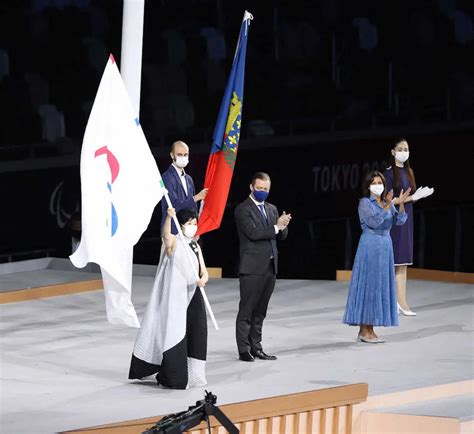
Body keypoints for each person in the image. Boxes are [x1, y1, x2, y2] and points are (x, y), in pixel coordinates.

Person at [129, 207, 209, 389]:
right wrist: (168, 218)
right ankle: (172, 376)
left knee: (196, 332)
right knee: (176, 333)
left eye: (194, 223)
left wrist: (203, 279)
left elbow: (203, 270)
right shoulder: (175, 242)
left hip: (194, 295)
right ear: (180, 225)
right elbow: (166, 236)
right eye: (189, 223)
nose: (193, 226)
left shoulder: (194, 245)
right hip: (177, 298)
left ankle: (194, 373)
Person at [343, 171, 410, 343]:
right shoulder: (365, 203)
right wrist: (387, 206)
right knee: (369, 285)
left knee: (379, 286)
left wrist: (400, 205)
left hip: (385, 247)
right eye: (374, 183)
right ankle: (364, 330)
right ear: (368, 186)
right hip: (370, 245)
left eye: (380, 182)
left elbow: (400, 221)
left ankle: (370, 329)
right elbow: (373, 222)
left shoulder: (387, 202)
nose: (378, 185)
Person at [234, 172, 291, 362]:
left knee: (260, 311)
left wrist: (283, 225)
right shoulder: (243, 209)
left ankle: (256, 347)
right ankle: (244, 349)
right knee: (247, 309)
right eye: (259, 188)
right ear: (251, 187)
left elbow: (280, 236)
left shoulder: (272, 209)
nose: (262, 192)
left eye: (266, 189)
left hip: (270, 265)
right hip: (251, 267)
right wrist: (276, 227)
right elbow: (253, 233)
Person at [383, 139, 434, 316]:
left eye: (406, 149)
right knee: (393, 262)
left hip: (407, 218)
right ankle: (392, 302)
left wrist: (414, 197)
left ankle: (402, 302)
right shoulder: (388, 174)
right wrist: (413, 198)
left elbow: (408, 195)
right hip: (395, 219)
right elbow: (387, 201)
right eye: (400, 149)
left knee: (403, 262)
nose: (404, 152)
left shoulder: (409, 171)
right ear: (392, 152)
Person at [161, 140, 208, 233]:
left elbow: (193, 208)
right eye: (179, 154)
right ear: (172, 155)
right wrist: (196, 197)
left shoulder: (189, 179)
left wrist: (195, 228)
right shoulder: (167, 177)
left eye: (185, 155)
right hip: (173, 232)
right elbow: (173, 206)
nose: (183, 157)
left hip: (188, 232)